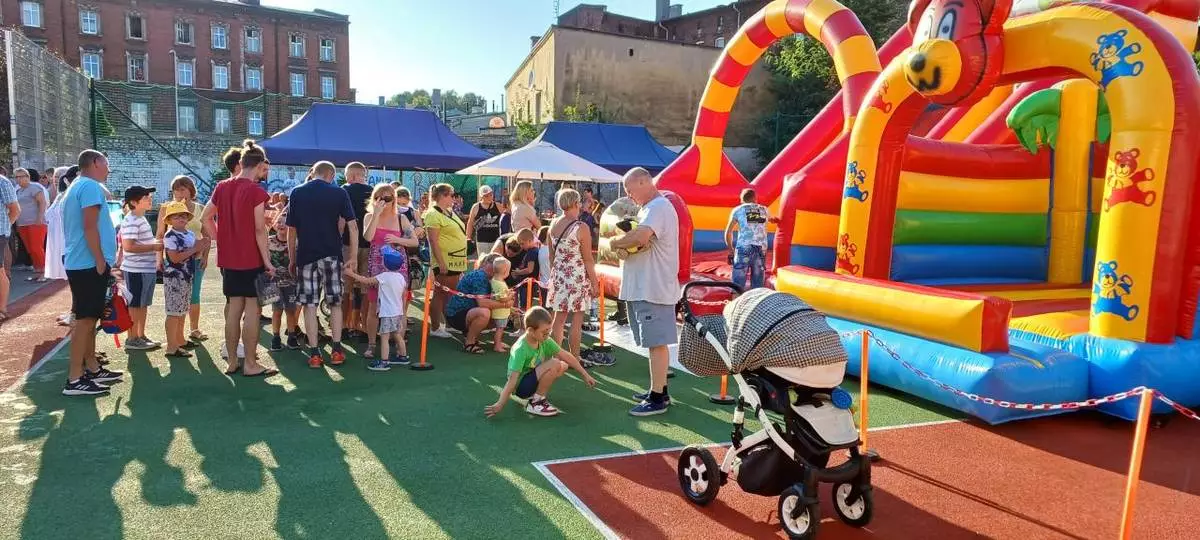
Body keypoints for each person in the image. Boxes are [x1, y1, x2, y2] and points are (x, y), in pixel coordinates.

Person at [201, 140, 278, 377]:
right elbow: (259, 230)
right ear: (257, 166)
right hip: (251, 259)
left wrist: (221, 241)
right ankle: (251, 364)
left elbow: (205, 218)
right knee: (252, 311)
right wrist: (267, 261)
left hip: (229, 260)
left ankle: (232, 360)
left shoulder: (222, 186)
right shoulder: (256, 191)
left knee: (233, 310)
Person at [609, 167, 680, 416]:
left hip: (654, 288)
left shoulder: (658, 207)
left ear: (644, 182)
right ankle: (658, 389)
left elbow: (641, 237)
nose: (629, 195)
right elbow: (640, 241)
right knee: (653, 343)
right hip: (647, 287)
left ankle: (658, 397)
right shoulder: (650, 208)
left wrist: (616, 243)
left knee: (656, 343)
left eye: (630, 189)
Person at [61, 149, 124, 395]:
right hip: (87, 264)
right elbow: (89, 227)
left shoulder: (79, 185)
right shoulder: (89, 187)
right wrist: (100, 260)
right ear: (96, 163)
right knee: (85, 321)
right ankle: (75, 379)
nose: (109, 169)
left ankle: (92, 367)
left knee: (88, 319)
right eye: (106, 164)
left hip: (82, 263)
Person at [287, 160, 359, 369]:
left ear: (314, 173)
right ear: (331, 175)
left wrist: (292, 258)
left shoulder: (297, 192)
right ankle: (337, 350)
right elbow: (352, 227)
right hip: (331, 254)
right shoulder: (339, 193)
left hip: (306, 255)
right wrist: (352, 257)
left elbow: (292, 230)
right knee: (335, 302)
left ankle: (314, 353)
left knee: (309, 304)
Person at [483, 307, 595, 418]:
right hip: (521, 387)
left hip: (531, 379)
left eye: (549, 331)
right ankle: (536, 402)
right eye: (544, 332)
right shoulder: (520, 349)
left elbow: (565, 355)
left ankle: (537, 396)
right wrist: (500, 404)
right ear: (531, 331)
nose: (547, 335)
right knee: (555, 363)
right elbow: (512, 380)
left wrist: (585, 374)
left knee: (563, 365)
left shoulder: (544, 340)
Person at [361, 183, 420, 359]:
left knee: (399, 306)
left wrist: (397, 239)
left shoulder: (401, 218)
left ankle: (399, 345)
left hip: (397, 267)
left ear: (394, 200)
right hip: (376, 265)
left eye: (388, 198)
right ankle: (372, 344)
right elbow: (368, 237)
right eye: (380, 198)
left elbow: (415, 242)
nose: (384, 201)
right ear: (374, 199)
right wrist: (376, 214)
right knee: (373, 305)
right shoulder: (369, 217)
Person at [546, 188, 600, 361]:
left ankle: (556, 356)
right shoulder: (581, 227)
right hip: (576, 277)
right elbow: (588, 259)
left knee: (558, 320)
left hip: (559, 276)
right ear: (576, 203)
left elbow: (551, 257)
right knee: (577, 320)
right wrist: (595, 282)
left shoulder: (552, 225)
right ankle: (574, 357)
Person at [156, 176, 209, 342]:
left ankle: (194, 329)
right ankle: (177, 337)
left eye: (183, 189)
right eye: (176, 189)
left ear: (191, 191)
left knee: (194, 295)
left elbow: (206, 236)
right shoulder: (166, 209)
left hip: (196, 260)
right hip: (175, 262)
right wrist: (158, 258)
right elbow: (159, 234)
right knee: (177, 298)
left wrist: (205, 256)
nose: (179, 193)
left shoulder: (200, 208)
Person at [344, 246, 410, 371]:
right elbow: (403, 296)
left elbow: (366, 281)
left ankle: (384, 362)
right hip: (397, 312)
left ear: (385, 263)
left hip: (387, 313)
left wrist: (350, 273)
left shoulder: (383, 276)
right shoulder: (401, 278)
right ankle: (403, 356)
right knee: (397, 335)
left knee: (384, 337)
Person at [422, 183, 469, 339]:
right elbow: (433, 241)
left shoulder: (450, 212)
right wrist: (440, 262)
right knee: (440, 294)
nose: (454, 198)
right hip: (445, 260)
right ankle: (435, 327)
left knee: (450, 294)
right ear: (442, 196)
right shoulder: (432, 214)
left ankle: (450, 324)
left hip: (457, 260)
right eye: (451, 195)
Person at [161, 201, 208, 358]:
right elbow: (174, 258)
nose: (180, 219)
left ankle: (179, 340)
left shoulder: (189, 234)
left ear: (188, 218)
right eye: (175, 216)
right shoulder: (169, 236)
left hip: (187, 277)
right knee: (174, 312)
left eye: (183, 216)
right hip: (174, 278)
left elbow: (195, 252)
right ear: (169, 220)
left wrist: (202, 247)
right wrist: (196, 248)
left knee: (182, 310)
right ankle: (171, 346)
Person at [119, 185, 161, 350]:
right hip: (136, 270)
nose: (150, 199)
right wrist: (154, 247)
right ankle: (132, 338)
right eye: (145, 197)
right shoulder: (132, 220)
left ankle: (140, 335)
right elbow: (128, 246)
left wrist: (154, 245)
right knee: (135, 305)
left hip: (145, 270)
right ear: (134, 202)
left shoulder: (140, 218)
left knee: (142, 304)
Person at [446, 253, 511, 354]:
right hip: (456, 314)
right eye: (494, 264)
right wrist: (505, 305)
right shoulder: (480, 276)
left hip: (466, 312)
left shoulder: (493, 280)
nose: (497, 268)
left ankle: (470, 333)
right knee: (484, 312)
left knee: (499, 314)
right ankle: (469, 342)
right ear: (486, 263)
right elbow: (482, 303)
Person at [340, 162, 373, 339]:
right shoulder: (373, 191)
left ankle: (344, 325)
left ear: (350, 176)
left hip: (346, 244)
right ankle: (363, 326)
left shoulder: (343, 190)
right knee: (365, 287)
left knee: (346, 287)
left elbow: (339, 219)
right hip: (369, 245)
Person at [267, 194, 301, 351]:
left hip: (292, 283)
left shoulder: (296, 243)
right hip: (273, 283)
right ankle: (275, 336)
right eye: (279, 221)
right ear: (274, 225)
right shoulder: (269, 241)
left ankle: (292, 336)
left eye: (285, 222)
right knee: (276, 311)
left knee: (291, 310)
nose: (281, 225)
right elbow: (264, 261)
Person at [725, 188, 770, 289]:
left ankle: (735, 300)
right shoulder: (764, 210)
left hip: (744, 247)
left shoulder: (738, 210)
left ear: (742, 199)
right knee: (758, 284)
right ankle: (756, 301)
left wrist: (731, 250)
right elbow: (768, 219)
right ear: (755, 198)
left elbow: (728, 231)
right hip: (761, 248)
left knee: (737, 283)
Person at [12, 168, 48, 280]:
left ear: (28, 177)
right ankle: (37, 271)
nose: (19, 179)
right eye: (17, 177)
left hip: (36, 222)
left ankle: (44, 272)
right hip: (22, 224)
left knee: (36, 247)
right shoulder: (18, 191)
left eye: (22, 176)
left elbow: (42, 202)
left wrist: (40, 217)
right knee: (30, 249)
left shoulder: (34, 187)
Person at [0, 171, 19, 323]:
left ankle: (2, 309)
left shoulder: (2, 182)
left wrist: (5, 228)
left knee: (0, 271)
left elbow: (15, 209)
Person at [465, 185, 502, 257]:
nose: (489, 197)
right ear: (481, 197)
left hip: (496, 240)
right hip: (482, 240)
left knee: (495, 261)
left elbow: (506, 218)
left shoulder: (498, 206)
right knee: (483, 261)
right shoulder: (476, 207)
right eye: (486, 196)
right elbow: (470, 223)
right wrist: (468, 238)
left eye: (491, 195)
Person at [489, 258, 514, 353]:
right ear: (505, 271)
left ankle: (498, 342)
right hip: (501, 312)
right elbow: (502, 298)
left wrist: (507, 292)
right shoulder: (501, 284)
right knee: (500, 329)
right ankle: (497, 345)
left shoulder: (494, 280)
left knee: (498, 328)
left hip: (497, 311)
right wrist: (510, 296)